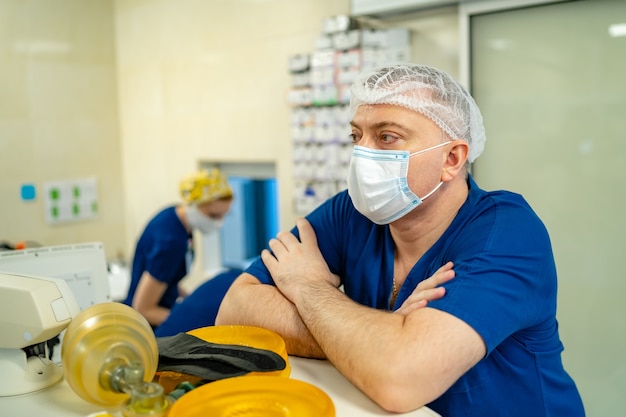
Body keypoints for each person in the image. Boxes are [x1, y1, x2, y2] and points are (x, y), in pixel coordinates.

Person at [216, 64, 585, 416]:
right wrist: (377, 337)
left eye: (386, 136)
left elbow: (399, 379)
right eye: (356, 136)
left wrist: (310, 288)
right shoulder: (352, 214)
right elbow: (234, 308)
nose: (362, 155)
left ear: (452, 159)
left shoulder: (506, 232)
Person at [124, 168, 234, 329]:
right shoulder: (170, 241)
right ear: (194, 204)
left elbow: (166, 278)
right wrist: (185, 318)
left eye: (224, 216)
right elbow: (143, 308)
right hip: (146, 328)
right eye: (213, 216)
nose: (219, 223)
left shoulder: (176, 218)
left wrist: (190, 300)